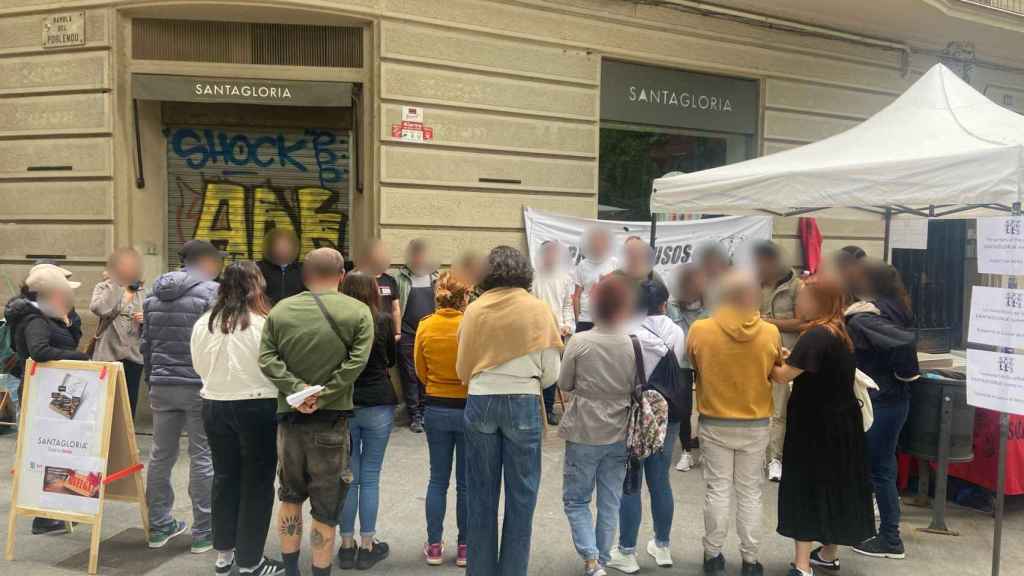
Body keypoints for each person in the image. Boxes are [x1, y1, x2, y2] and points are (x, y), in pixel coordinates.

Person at [259, 247, 373, 576]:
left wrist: (297, 389)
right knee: (326, 506)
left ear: (306, 276)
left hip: (290, 419)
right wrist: (324, 395)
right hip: (331, 421)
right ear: (342, 275)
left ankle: (291, 569)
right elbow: (356, 363)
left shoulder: (281, 310)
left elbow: (266, 358)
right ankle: (320, 571)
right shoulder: (358, 312)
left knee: (290, 495)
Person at [457, 246, 563, 576]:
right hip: (523, 399)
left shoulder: (475, 310)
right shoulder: (538, 309)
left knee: (480, 495)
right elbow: (552, 372)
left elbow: (463, 367)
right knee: (522, 496)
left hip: (481, 398)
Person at [770, 275, 875, 576]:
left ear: (818, 301)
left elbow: (783, 376)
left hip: (814, 427)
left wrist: (768, 357)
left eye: (803, 297)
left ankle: (802, 565)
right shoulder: (839, 331)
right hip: (842, 424)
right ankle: (828, 554)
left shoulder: (816, 336)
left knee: (806, 487)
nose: (798, 302)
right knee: (835, 485)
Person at [190, 261, 283, 576]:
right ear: (257, 287)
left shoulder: (205, 323)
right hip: (257, 406)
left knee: (225, 478)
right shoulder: (263, 323)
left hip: (214, 403)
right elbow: (274, 367)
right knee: (257, 483)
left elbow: (198, 366)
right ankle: (250, 560)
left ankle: (224, 555)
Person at [687, 271, 782, 576]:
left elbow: (693, 364)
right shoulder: (770, 333)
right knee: (750, 492)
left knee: (717, 489)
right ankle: (751, 560)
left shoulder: (700, 329)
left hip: (715, 419)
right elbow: (774, 370)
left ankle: (713, 556)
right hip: (755, 421)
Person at [142, 239, 223, 551]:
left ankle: (159, 526)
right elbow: (216, 341)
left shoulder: (152, 295)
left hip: (162, 384)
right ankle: (204, 531)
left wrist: (153, 378)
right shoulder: (211, 293)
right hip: (197, 384)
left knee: (161, 456)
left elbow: (146, 343)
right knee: (202, 456)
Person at [558, 274, 637, 576]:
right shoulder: (633, 344)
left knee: (576, 498)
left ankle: (591, 559)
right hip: (619, 429)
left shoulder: (579, 342)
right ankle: (601, 558)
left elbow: (565, 383)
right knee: (610, 499)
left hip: (583, 428)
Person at [608, 278, 687, 573]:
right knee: (660, 480)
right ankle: (662, 545)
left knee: (631, 479)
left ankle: (627, 550)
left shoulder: (627, 331)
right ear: (664, 304)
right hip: (667, 411)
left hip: (634, 411)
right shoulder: (677, 332)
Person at [4, 264, 89, 536]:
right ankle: (44, 514)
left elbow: (69, 341)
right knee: (50, 448)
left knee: (62, 447)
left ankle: (57, 509)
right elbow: (39, 351)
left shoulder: (50, 315)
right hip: (45, 391)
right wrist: (82, 359)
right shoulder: (35, 319)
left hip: (60, 389)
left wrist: (68, 319)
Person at [847, 262, 919, 561]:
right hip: (892, 399)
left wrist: (906, 373)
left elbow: (904, 344)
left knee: (880, 470)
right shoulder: (897, 307)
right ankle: (875, 532)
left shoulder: (866, 316)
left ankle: (890, 539)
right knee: (880, 468)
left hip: (881, 400)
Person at [335, 273, 397, 570]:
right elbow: (391, 359)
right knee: (370, 476)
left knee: (348, 477)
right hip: (378, 402)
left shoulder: (334, 320)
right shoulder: (382, 320)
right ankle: (367, 544)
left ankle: (345, 546)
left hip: (344, 402)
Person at [415, 272, 473, 567]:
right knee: (465, 483)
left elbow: (419, 370)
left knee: (437, 479)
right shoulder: (470, 326)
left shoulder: (426, 326)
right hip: (466, 406)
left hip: (436, 405)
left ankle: (434, 545)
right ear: (465, 297)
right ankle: (465, 547)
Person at [754, 241, 803, 483]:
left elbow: (804, 322)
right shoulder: (754, 284)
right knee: (755, 408)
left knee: (777, 411)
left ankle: (775, 458)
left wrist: (769, 322)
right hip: (754, 356)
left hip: (784, 356)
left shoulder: (797, 287)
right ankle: (756, 456)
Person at [90, 247, 146, 416]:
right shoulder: (104, 287)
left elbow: (154, 318)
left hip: (133, 354)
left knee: (129, 403)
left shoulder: (143, 291)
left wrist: (145, 319)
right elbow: (99, 308)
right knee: (104, 402)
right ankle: (103, 437)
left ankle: (125, 440)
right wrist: (116, 284)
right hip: (108, 353)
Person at [395, 239, 438, 433]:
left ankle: (428, 411)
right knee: (411, 375)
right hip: (407, 334)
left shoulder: (436, 279)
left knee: (427, 374)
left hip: (430, 334)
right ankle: (415, 415)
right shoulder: (400, 279)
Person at [531, 240, 575, 425]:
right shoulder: (532, 277)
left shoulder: (564, 277)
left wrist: (568, 324)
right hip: (535, 332)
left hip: (557, 332)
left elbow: (567, 304)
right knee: (534, 370)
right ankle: (534, 410)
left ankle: (548, 410)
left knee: (553, 371)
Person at [667, 262, 706, 472]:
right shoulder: (672, 305)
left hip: (706, 360)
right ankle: (686, 452)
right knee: (683, 407)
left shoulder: (711, 306)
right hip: (681, 360)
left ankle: (707, 447)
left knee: (708, 404)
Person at [354, 239, 402, 342]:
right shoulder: (358, 279)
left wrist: (397, 333)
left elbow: (395, 309)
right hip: (364, 332)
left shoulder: (390, 280)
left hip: (386, 333)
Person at [573, 228, 619, 332]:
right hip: (586, 318)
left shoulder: (614, 263)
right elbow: (576, 296)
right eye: (595, 242)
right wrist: (577, 320)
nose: (598, 245)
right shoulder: (582, 265)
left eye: (601, 242)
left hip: (608, 318)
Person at [257, 229, 305, 306]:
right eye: (278, 245)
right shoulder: (257, 269)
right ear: (271, 247)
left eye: (286, 246)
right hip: (266, 315)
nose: (282, 249)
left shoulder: (303, 270)